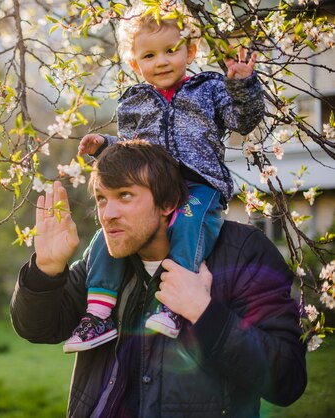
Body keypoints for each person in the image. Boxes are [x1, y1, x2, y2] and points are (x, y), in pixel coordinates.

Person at [10, 141, 307, 417]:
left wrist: (204, 311)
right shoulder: (102, 260)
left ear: (167, 203)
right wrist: (46, 270)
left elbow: (287, 380)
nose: (108, 214)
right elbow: (38, 329)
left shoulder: (243, 251)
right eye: (101, 199)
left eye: (124, 195)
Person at [67, 6, 264, 351]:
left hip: (199, 184)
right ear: (135, 65)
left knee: (188, 226)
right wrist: (105, 146)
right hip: (154, 187)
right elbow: (131, 148)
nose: (161, 61)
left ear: (190, 51)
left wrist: (242, 84)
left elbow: (242, 121)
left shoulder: (209, 87)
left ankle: (173, 306)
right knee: (108, 234)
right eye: (149, 55)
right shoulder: (134, 100)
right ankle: (98, 315)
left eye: (171, 50)